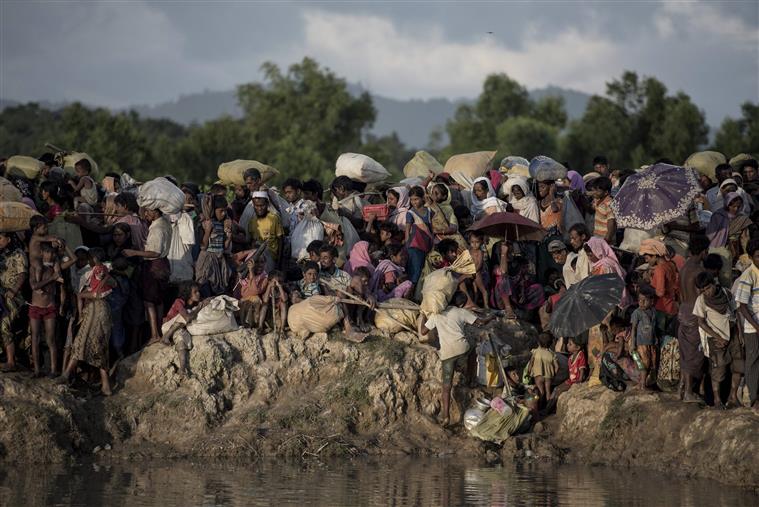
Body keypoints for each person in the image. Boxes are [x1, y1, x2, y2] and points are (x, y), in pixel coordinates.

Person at [419, 291, 495, 426]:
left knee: (446, 387)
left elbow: (423, 332)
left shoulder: (437, 315)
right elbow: (480, 323)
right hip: (462, 348)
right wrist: (491, 317)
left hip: (447, 354)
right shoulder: (461, 312)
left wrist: (423, 316)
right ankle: (471, 379)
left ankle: (446, 417)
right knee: (472, 349)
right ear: (461, 303)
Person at [57, 249, 113, 396]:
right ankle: (105, 386)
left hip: (96, 309)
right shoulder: (95, 272)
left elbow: (99, 292)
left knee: (83, 342)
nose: (87, 261)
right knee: (97, 345)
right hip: (97, 310)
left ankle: (67, 375)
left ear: (93, 258)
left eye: (88, 258)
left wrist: (85, 295)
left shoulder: (99, 271)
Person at [123, 207, 172, 345]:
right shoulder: (165, 223)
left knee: (149, 301)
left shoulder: (157, 228)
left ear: (155, 212)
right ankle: (159, 332)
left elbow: (155, 252)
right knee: (159, 300)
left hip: (155, 266)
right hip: (163, 265)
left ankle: (154, 334)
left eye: (148, 211)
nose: (145, 214)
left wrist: (134, 253)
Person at [693, 272, 736, 409]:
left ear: (714, 283)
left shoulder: (726, 293)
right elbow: (701, 322)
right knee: (718, 369)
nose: (707, 292)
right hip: (716, 339)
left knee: (737, 366)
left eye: (708, 288)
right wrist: (718, 337)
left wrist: (739, 334)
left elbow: (736, 313)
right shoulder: (701, 300)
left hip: (732, 334)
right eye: (703, 290)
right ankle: (717, 400)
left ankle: (733, 397)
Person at [678, 235, 710, 402]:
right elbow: (702, 297)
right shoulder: (699, 271)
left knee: (685, 353)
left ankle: (682, 389)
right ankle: (690, 391)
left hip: (682, 311)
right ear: (704, 252)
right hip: (693, 314)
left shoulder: (683, 268)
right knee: (694, 355)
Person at [734, 238, 759, 410]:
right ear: (751, 257)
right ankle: (754, 399)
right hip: (753, 328)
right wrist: (756, 326)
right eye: (758, 256)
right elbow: (742, 307)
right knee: (753, 362)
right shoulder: (748, 276)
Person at [161, 281, 202, 378]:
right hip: (168, 327)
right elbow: (187, 318)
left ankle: (182, 369)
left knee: (181, 338)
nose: (198, 294)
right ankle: (166, 336)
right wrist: (198, 308)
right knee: (186, 314)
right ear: (188, 293)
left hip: (178, 329)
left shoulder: (194, 303)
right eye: (195, 292)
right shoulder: (179, 302)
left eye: (198, 291)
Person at [639, 238, 679, 336]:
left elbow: (660, 292)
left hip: (662, 309)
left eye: (647, 258)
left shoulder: (660, 269)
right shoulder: (670, 265)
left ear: (655, 256)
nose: (647, 261)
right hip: (672, 307)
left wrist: (646, 285)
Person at [405, 186, 434, 285]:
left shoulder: (429, 211)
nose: (414, 202)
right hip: (415, 246)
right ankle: (411, 291)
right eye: (412, 200)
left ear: (422, 198)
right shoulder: (410, 213)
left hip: (427, 244)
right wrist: (407, 244)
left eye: (416, 199)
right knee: (415, 270)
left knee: (425, 269)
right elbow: (407, 229)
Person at [631, 288, 657, 389]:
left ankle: (643, 383)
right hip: (641, 343)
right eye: (639, 300)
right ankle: (642, 384)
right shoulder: (637, 313)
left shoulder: (653, 311)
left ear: (651, 301)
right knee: (643, 364)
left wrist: (655, 340)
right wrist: (633, 343)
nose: (641, 302)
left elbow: (654, 328)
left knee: (650, 363)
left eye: (644, 300)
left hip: (651, 343)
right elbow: (633, 329)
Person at [248, 191, 284, 264]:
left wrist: (279, 261)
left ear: (267, 204)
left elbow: (281, 240)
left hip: (270, 257)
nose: (260, 208)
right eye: (257, 206)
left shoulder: (273, 218)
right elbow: (252, 241)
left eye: (262, 205)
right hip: (256, 259)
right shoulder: (252, 221)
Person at [238, 256, 268, 330]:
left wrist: (251, 271)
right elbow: (243, 294)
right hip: (241, 308)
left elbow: (254, 291)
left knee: (255, 299)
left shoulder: (265, 277)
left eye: (262, 262)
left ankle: (252, 324)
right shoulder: (244, 276)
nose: (259, 265)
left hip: (256, 311)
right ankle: (243, 323)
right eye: (257, 262)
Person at [528, 333, 560, 402]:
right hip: (548, 376)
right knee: (548, 392)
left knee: (541, 392)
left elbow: (531, 363)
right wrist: (553, 375)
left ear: (538, 343)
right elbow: (557, 367)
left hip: (538, 375)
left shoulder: (535, 352)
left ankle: (539, 406)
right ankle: (547, 406)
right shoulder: (552, 354)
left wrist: (529, 372)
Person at [588, 176, 616, 245]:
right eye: (594, 190)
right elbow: (591, 208)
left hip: (606, 239)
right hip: (598, 237)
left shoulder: (609, 203)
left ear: (606, 192)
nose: (594, 192)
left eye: (597, 191)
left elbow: (611, 222)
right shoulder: (597, 200)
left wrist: (607, 239)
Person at [259, 270, 287, 335]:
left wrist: (279, 286)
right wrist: (269, 286)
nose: (277, 284)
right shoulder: (267, 291)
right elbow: (265, 300)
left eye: (280, 282)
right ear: (269, 281)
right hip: (268, 318)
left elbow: (284, 299)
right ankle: (260, 326)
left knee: (283, 304)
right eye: (275, 282)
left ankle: (282, 328)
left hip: (278, 319)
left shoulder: (282, 291)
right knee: (264, 305)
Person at [467, 230, 490, 309]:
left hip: (477, 273)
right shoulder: (469, 251)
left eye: (477, 242)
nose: (474, 244)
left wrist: (474, 271)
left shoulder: (480, 252)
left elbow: (480, 264)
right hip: (471, 272)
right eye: (472, 242)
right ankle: (475, 304)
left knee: (483, 290)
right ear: (469, 241)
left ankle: (486, 305)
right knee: (475, 290)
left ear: (481, 242)